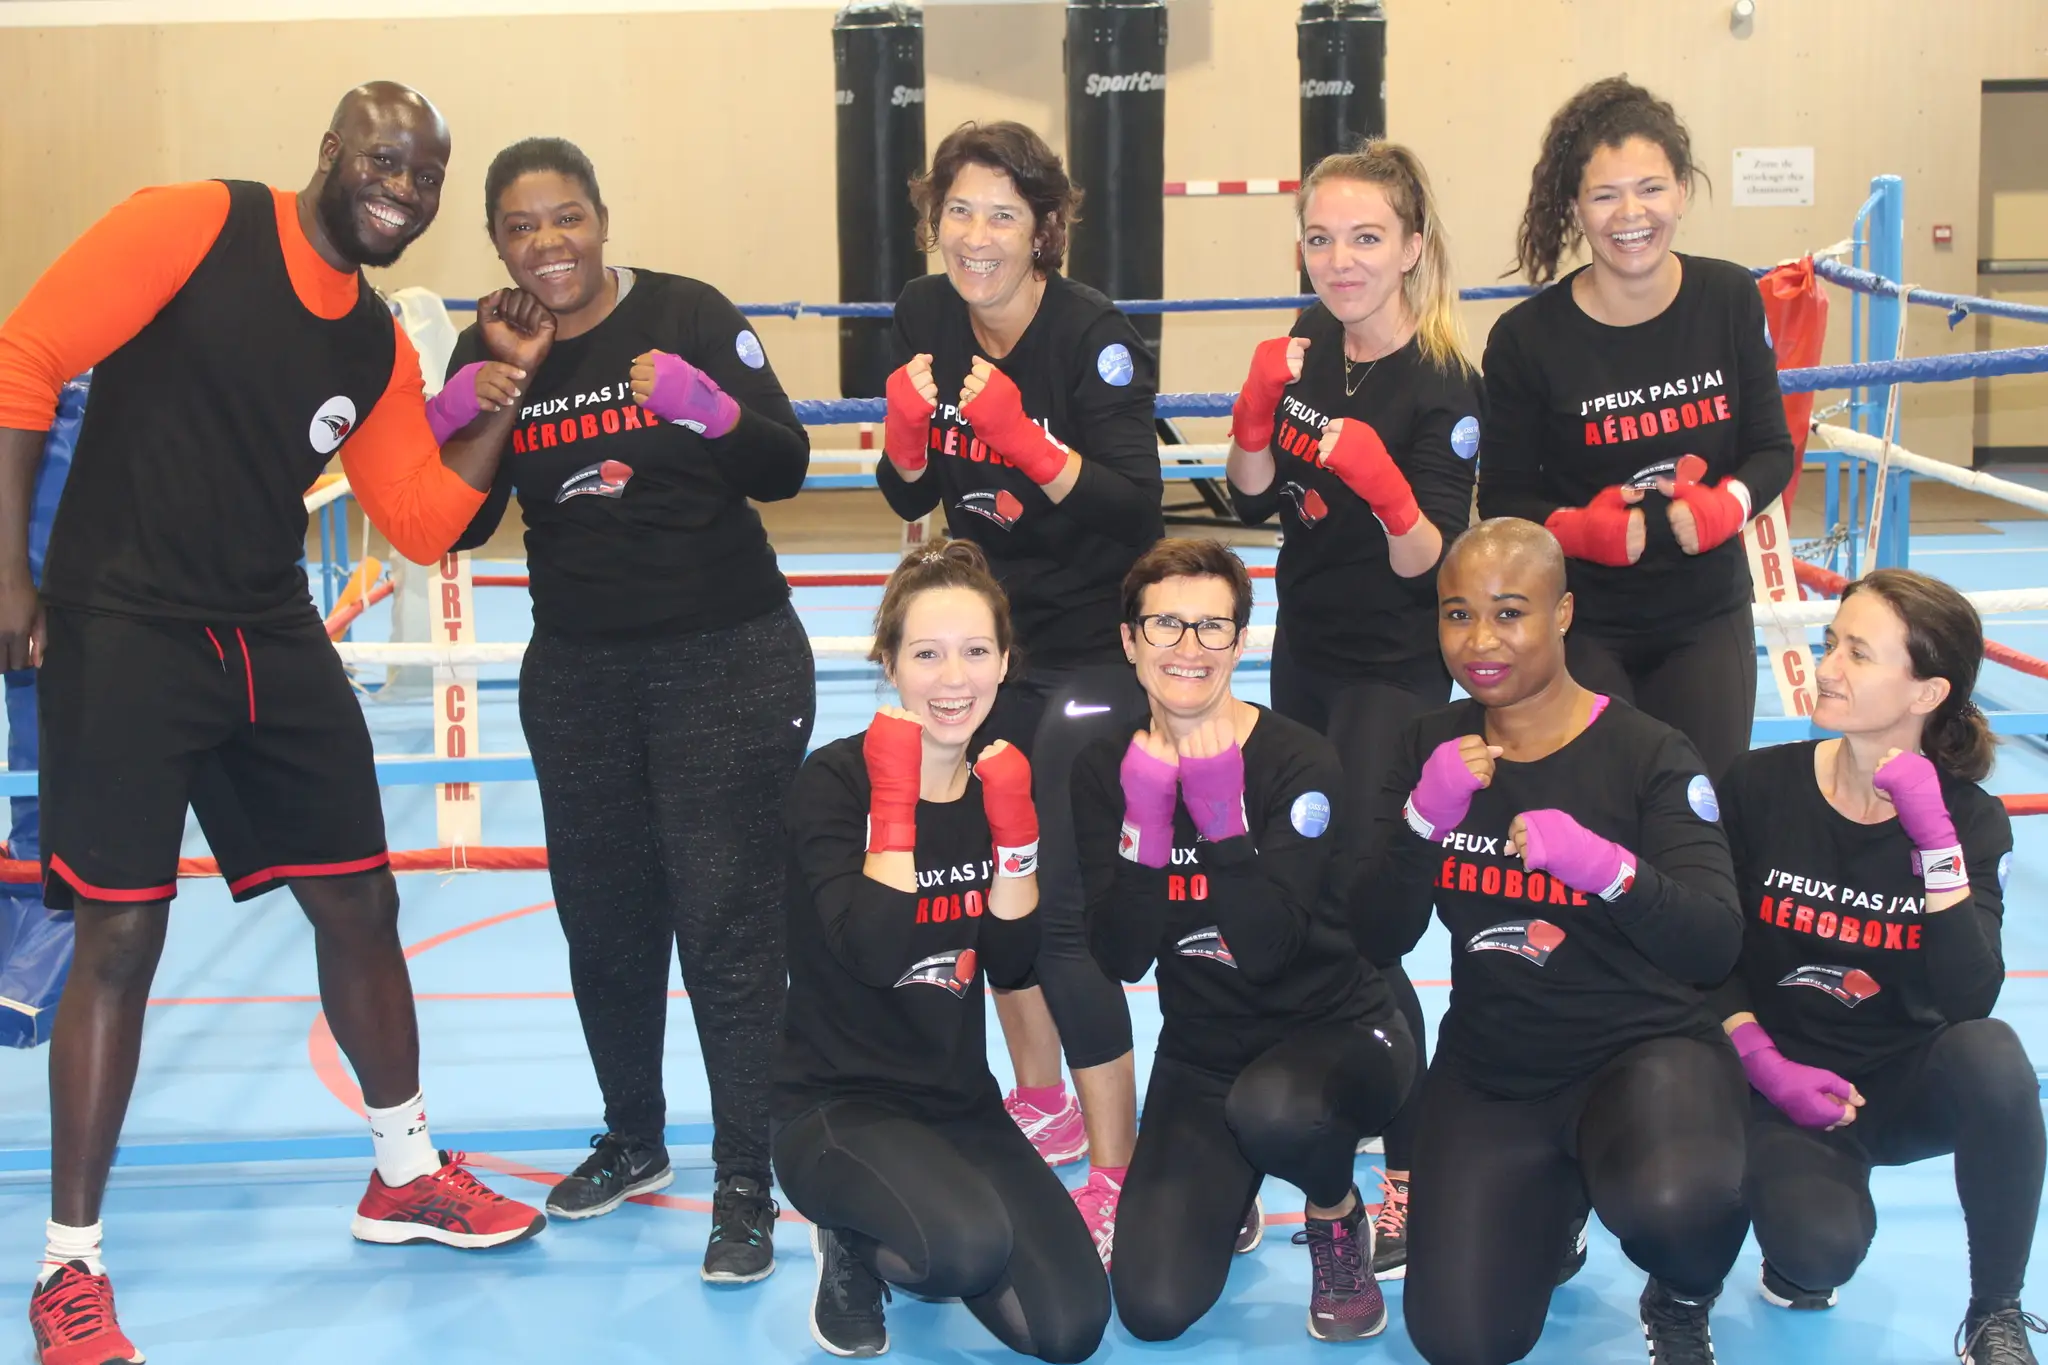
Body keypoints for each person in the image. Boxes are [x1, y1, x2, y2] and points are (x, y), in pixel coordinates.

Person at [0, 84, 551, 1365]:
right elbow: (26, 356)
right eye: (385, 163)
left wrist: (504, 389)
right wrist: (9, 583)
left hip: (265, 631)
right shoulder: (193, 224)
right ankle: (68, 1266)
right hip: (125, 625)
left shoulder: (367, 345)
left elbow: (419, 517)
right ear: (332, 151)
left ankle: (404, 1173)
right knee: (121, 936)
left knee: (361, 901)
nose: (400, 193)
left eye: (422, 180)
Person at [438, 137, 814, 1283]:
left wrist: (707, 410)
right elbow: (452, 524)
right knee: (602, 924)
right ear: (496, 241)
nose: (546, 243)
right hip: (579, 672)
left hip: (725, 657)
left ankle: (746, 1174)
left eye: (565, 218)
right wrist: (477, 395)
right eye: (519, 226)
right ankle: (634, 1136)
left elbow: (785, 465)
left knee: (727, 930)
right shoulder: (496, 339)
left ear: (601, 219)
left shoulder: (690, 315)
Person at [876, 119, 1162, 1259]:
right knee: (989, 872)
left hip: (1090, 645)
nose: (976, 236)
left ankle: (1117, 1170)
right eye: (959, 209)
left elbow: (1137, 508)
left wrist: (1028, 444)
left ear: (1044, 227)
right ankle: (1036, 1095)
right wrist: (903, 442)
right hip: (979, 642)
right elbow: (912, 490)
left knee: (1054, 908)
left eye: (1002, 213)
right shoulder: (921, 313)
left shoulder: (1092, 336)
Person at [1361, 518, 1747, 1365]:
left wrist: (1612, 871)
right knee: (1460, 1340)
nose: (1480, 641)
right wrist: (1422, 821)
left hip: (1638, 1053)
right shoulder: (1430, 744)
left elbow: (1714, 943)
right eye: (1457, 615)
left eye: (1510, 612)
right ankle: (1557, 1201)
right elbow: (1375, 934)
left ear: (1564, 612)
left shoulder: (1649, 753)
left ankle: (1681, 1295)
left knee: (1680, 1203)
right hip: (1495, 1065)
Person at [1225, 138, 1481, 1279]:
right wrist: (1250, 415)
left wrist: (1376, 476)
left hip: (1390, 675)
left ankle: (1411, 1173)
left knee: (1366, 918)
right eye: (1320, 238)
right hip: (1302, 660)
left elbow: (1428, 556)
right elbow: (1249, 496)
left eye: (1365, 237)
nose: (1339, 260)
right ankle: (1305, 1149)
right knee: (1300, 903)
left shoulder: (1441, 381)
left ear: (1412, 247)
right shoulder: (1302, 350)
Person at [772, 539, 1109, 1362]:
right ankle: (848, 1234)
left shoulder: (999, 780)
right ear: (889, 661)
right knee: (962, 1248)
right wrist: (897, 798)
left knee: (1069, 1328)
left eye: (974, 652)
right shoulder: (835, 783)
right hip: (835, 1106)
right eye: (927, 653)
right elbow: (875, 952)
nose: (953, 679)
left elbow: (1009, 962)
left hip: (957, 1103)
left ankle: (913, 1211)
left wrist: (1016, 839)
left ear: (1004, 664)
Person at [1072, 539, 1415, 1343]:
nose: (1189, 647)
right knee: (1152, 1306)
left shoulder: (1298, 761)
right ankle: (1233, 1185)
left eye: (1212, 627)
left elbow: (1268, 950)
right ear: (1129, 641)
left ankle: (1335, 1215)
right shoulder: (1103, 768)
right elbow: (1120, 955)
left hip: (1335, 1035)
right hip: (1203, 1052)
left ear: (1241, 639)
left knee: (1276, 1109)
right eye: (1165, 625)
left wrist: (1222, 822)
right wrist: (1145, 828)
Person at [1714, 569, 2044, 1364]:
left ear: (1927, 692)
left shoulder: (1969, 820)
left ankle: (1996, 1315)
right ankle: (1794, 1252)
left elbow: (1970, 997)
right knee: (1815, 1251)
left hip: (1898, 1081)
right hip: (1783, 1081)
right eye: (1832, 643)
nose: (1826, 666)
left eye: (1857, 653)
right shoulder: (1759, 785)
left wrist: (1937, 852)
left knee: (1995, 1056)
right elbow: (1704, 951)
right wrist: (1760, 1059)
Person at [1478, 76, 1795, 781]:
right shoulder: (1527, 340)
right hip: (1581, 622)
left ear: (1682, 189)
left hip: (1706, 617)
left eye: (1651, 188)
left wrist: (1728, 505)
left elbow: (1773, 450)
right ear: (1574, 209)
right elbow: (1500, 498)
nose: (1631, 213)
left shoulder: (1729, 299)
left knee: (1703, 813)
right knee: (1603, 808)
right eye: (1604, 194)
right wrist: (1574, 528)